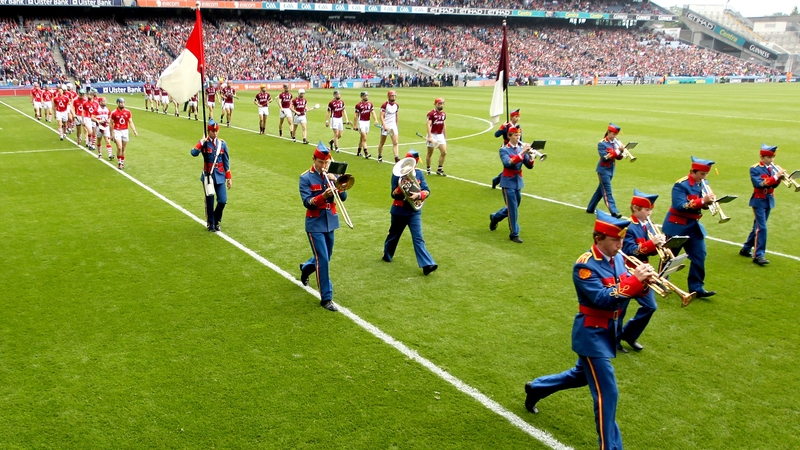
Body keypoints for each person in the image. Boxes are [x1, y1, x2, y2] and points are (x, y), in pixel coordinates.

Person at [524, 211, 654, 450]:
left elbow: (627, 291)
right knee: (608, 393)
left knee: (580, 376)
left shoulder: (618, 258)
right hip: (591, 333)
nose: (620, 245)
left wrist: (644, 284)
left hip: (609, 331)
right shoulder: (584, 266)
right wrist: (634, 282)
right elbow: (602, 299)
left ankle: (536, 387)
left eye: (622, 240)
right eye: (615, 240)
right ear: (598, 239)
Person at [298, 143, 347, 312]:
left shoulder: (333, 174)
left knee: (325, 256)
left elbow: (344, 197)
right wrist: (322, 196)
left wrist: (338, 183)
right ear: (314, 160)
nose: (324, 166)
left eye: (326, 162)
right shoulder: (306, 178)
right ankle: (326, 297)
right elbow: (308, 203)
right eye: (320, 162)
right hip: (315, 223)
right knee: (323, 259)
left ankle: (305, 269)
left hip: (330, 221)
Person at [662, 156, 718, 298]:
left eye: (706, 174)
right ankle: (661, 282)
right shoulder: (681, 185)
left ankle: (697, 287)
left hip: (693, 227)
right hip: (677, 226)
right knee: (669, 257)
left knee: (700, 256)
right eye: (702, 174)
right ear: (693, 171)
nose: (704, 177)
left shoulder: (703, 184)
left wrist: (707, 203)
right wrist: (702, 201)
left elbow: (701, 207)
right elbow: (680, 206)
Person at [618, 189, 664, 353]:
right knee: (620, 309)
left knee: (650, 306)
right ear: (635, 208)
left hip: (643, 271)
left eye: (651, 209)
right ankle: (615, 340)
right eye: (646, 210)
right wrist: (652, 244)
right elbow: (630, 251)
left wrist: (659, 246)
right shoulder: (628, 227)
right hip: (627, 271)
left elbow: (647, 252)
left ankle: (629, 334)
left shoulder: (647, 226)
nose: (649, 213)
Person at [382, 150, 437, 275]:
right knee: (394, 235)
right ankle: (387, 253)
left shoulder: (419, 174)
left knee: (418, 238)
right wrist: (400, 189)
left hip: (413, 212)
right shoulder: (397, 175)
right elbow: (393, 194)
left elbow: (427, 190)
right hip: (399, 210)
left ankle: (427, 264)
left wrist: (419, 195)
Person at [740, 144, 785, 266]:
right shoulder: (755, 168)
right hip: (759, 200)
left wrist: (779, 179)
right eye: (768, 157)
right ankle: (758, 255)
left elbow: (773, 185)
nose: (771, 160)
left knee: (758, 227)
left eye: (772, 157)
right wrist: (776, 176)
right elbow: (759, 184)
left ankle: (746, 248)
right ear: (762, 157)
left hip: (769, 199)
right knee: (762, 228)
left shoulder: (772, 168)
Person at [489, 126, 535, 243]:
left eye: (519, 135)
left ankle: (495, 217)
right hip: (508, 181)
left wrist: (531, 156)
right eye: (515, 135)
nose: (518, 137)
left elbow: (529, 166)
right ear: (509, 136)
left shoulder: (520, 148)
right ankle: (514, 233)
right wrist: (522, 153)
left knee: (513, 206)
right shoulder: (504, 149)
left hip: (518, 181)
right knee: (513, 208)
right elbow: (508, 163)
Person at [191, 119, 232, 232]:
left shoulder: (222, 144)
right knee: (210, 201)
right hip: (208, 177)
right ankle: (211, 224)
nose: (215, 133)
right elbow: (193, 153)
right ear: (208, 131)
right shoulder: (204, 144)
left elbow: (226, 162)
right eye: (213, 131)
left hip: (220, 176)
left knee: (222, 200)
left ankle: (216, 219)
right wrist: (201, 141)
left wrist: (229, 178)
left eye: (216, 131)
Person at [587, 123, 628, 218]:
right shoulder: (602, 143)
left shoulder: (615, 142)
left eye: (616, 134)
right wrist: (618, 150)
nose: (615, 136)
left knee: (601, 190)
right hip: (603, 170)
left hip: (611, 169)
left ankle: (590, 208)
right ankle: (614, 212)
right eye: (613, 134)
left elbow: (618, 157)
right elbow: (605, 157)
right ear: (608, 132)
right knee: (607, 191)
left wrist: (621, 153)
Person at [491, 109, 521, 189]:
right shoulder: (506, 126)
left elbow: (520, 139)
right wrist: (502, 127)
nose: (518, 118)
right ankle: (498, 180)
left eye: (518, 117)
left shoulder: (518, 127)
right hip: (507, 149)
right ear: (511, 117)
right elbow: (496, 135)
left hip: (515, 149)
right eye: (516, 116)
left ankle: (496, 180)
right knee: (509, 166)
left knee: (513, 166)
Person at [109, 98, 138, 170]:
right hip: (117, 131)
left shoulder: (128, 112)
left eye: (123, 102)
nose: (122, 104)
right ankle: (119, 162)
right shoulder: (114, 112)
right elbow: (111, 123)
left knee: (123, 148)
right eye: (121, 103)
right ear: (118, 103)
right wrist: (111, 134)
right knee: (119, 147)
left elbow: (130, 121)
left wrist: (134, 130)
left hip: (125, 131)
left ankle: (122, 162)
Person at [426, 97, 447, 176]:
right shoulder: (431, 114)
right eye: (440, 103)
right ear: (435, 104)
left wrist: (445, 135)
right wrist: (430, 136)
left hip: (440, 135)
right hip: (433, 135)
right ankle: (428, 169)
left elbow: (444, 124)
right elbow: (428, 125)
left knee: (444, 152)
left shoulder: (443, 114)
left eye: (442, 103)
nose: (441, 105)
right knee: (430, 153)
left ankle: (439, 169)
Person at [354, 91, 379, 159]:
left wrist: (376, 119)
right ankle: (366, 153)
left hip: (367, 122)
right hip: (361, 121)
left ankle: (358, 152)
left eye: (367, 95)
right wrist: (355, 125)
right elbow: (356, 115)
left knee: (362, 138)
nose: (366, 97)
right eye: (365, 96)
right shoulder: (358, 105)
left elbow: (373, 112)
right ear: (362, 97)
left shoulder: (370, 104)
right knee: (364, 137)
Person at [377, 90, 400, 163]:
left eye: (394, 96)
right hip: (386, 125)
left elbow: (396, 115)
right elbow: (381, 116)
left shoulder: (396, 105)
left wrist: (396, 124)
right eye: (392, 96)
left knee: (395, 142)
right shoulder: (385, 105)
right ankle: (380, 156)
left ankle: (396, 158)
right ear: (388, 96)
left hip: (393, 126)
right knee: (382, 142)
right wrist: (384, 125)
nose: (393, 97)